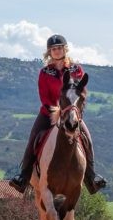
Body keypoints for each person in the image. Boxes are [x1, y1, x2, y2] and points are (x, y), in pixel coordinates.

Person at [8, 34, 107, 195]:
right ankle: (23, 177)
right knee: (33, 139)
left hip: (71, 113)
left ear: (64, 49)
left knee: (87, 139)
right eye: (53, 49)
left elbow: (80, 92)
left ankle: (91, 176)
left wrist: (74, 110)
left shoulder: (76, 69)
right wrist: (55, 112)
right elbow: (44, 97)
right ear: (49, 52)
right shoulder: (45, 72)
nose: (56, 51)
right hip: (48, 112)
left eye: (59, 48)